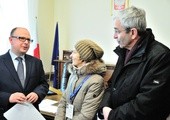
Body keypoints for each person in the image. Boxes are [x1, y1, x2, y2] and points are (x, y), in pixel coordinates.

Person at [98, 6, 170, 120]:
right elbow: (112, 85)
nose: (114, 36)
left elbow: (147, 104)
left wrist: (112, 115)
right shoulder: (124, 51)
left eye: (117, 31)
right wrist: (104, 107)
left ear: (132, 32)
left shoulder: (161, 56)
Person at [0, 27, 49, 120]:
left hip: (31, 114)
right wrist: (8, 97)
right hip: (5, 114)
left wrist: (37, 93)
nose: (26, 42)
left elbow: (44, 84)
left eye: (29, 40)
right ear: (11, 40)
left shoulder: (36, 62)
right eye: (22, 38)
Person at [54, 39, 107, 120]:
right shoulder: (73, 75)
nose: (71, 55)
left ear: (83, 58)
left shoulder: (96, 81)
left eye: (74, 52)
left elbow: (86, 116)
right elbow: (63, 102)